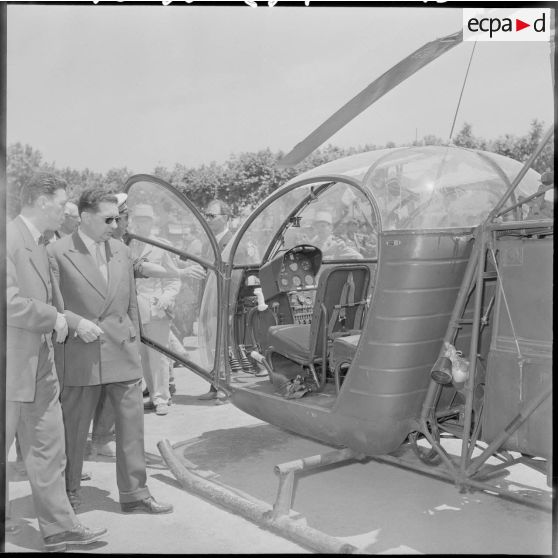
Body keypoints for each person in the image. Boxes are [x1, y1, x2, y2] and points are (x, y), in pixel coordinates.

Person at [47, 188, 173, 515]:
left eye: (118, 218)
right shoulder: (57, 252)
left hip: (122, 349)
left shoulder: (120, 250)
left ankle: (135, 494)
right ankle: (69, 493)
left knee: (132, 428)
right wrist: (75, 323)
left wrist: (133, 336)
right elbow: (49, 305)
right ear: (85, 218)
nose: (115, 225)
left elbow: (130, 302)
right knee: (74, 431)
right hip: (80, 352)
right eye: (108, 219)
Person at [6, 172, 107, 551]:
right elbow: (9, 303)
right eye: (63, 202)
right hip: (11, 366)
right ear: (42, 200)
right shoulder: (9, 238)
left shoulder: (39, 242)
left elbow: (50, 299)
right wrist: (57, 320)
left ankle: (60, 527)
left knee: (50, 444)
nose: (67, 210)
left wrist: (73, 321)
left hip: (39, 364)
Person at [128, 203, 181, 415]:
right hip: (133, 310)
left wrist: (167, 297)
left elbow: (174, 278)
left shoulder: (161, 245)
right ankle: (152, 393)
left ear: (153, 221)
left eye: (146, 219)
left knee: (158, 356)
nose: (142, 223)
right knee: (142, 356)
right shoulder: (128, 245)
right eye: (138, 219)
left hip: (155, 309)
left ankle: (161, 398)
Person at [197, 199, 234, 402]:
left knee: (222, 345)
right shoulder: (208, 242)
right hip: (209, 301)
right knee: (212, 345)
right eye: (206, 215)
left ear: (226, 218)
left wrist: (229, 308)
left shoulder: (231, 241)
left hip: (222, 303)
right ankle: (214, 385)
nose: (207, 219)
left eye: (212, 215)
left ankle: (224, 387)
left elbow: (234, 278)